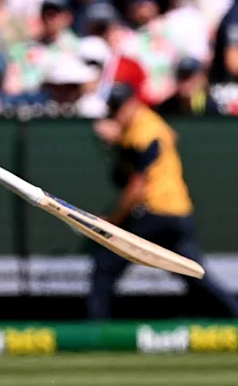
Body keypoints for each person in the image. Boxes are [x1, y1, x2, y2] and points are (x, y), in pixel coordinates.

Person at [89, 82, 238, 320]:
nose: (115, 113)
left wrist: (112, 221)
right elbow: (171, 137)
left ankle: (95, 331)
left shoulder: (142, 130)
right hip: (178, 210)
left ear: (132, 103)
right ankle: (233, 314)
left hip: (155, 212)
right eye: (113, 108)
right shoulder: (148, 122)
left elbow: (137, 186)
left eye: (119, 107)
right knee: (193, 273)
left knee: (106, 266)